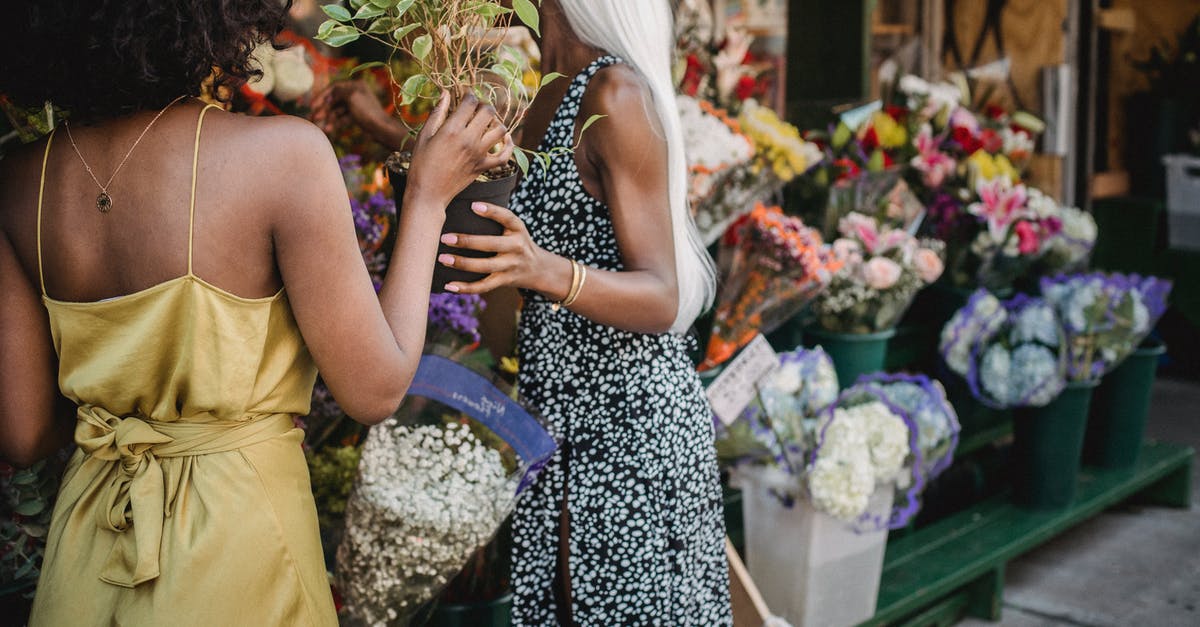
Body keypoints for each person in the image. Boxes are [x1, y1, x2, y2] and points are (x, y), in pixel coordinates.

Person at [0, 2, 511, 625]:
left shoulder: (22, 181)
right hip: (241, 537)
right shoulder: (280, 156)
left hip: (90, 542)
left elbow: (25, 433)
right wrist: (429, 196)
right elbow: (375, 388)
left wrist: (125, 396)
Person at [324, 0, 733, 624]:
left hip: (630, 426)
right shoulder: (540, 92)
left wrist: (542, 270)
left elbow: (663, 297)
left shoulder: (615, 93)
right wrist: (387, 130)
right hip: (553, 418)